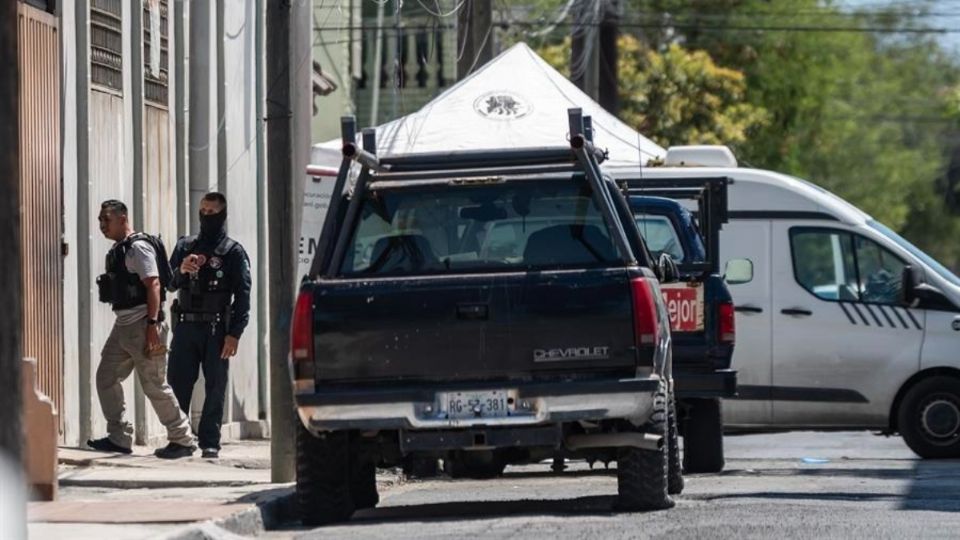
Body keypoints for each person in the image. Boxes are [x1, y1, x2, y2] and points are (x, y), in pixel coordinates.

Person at [87, 200, 197, 459]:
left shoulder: (138, 248)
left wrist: (151, 325)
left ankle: (183, 440)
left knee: (155, 385)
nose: (102, 225)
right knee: (106, 377)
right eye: (100, 220)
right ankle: (119, 437)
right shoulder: (120, 249)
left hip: (143, 326)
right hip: (123, 326)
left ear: (123, 218)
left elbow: (155, 285)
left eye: (106, 219)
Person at [167, 192, 251, 459]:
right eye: (203, 211)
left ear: (222, 215)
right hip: (185, 325)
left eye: (212, 213)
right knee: (178, 382)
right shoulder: (185, 246)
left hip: (217, 329)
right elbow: (168, 283)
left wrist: (234, 333)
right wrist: (181, 270)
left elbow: (243, 295)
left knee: (215, 385)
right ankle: (179, 440)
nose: (206, 216)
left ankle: (210, 441)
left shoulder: (232, 252)